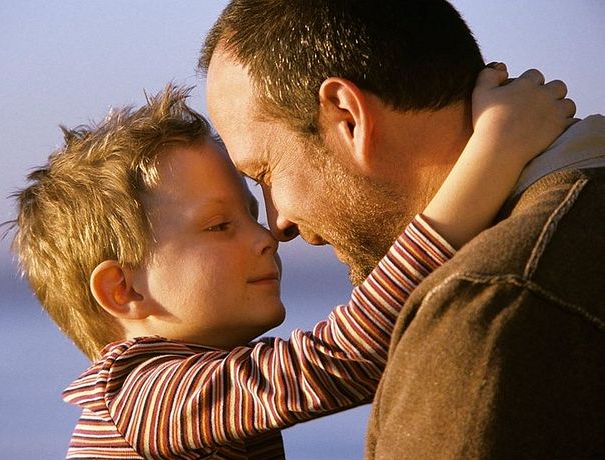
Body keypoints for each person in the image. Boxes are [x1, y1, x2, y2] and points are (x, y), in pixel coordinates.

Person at [7, 72, 568, 459]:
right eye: (219, 226)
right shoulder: (145, 398)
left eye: (252, 214)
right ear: (122, 289)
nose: (267, 236)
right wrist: (494, 152)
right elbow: (345, 357)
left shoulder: (187, 390)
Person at [199, 1, 605, 458]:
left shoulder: (485, 311)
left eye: (265, 173)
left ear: (348, 119)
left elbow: (342, 354)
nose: (278, 226)